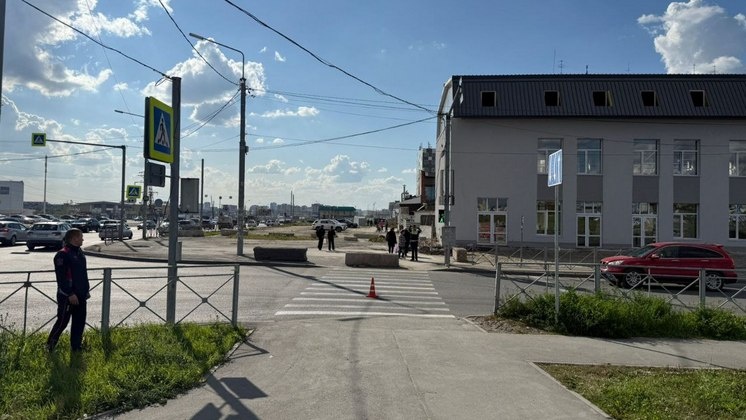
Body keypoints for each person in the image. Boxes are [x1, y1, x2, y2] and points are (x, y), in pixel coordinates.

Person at [47, 228, 90, 353]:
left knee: (79, 322)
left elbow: (82, 274)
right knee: (62, 322)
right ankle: (50, 346)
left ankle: (76, 347)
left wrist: (86, 290)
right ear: (74, 238)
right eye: (81, 237)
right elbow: (61, 277)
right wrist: (70, 293)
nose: (83, 239)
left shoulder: (79, 252)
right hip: (67, 296)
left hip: (81, 295)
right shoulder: (63, 254)